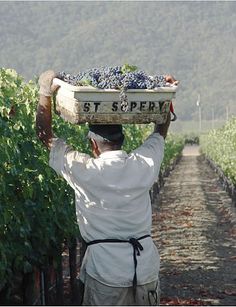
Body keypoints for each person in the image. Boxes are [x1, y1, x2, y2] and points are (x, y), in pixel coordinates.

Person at [36, 70, 174, 306]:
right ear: (122, 140)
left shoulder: (84, 170)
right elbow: (160, 132)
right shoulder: (143, 164)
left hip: (106, 273)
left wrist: (44, 92)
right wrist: (165, 95)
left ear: (93, 144)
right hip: (145, 269)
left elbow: (44, 136)